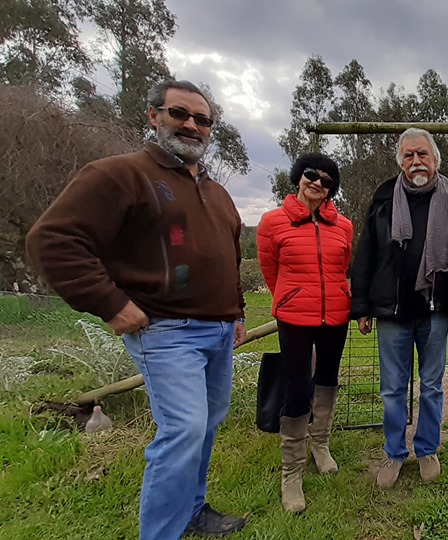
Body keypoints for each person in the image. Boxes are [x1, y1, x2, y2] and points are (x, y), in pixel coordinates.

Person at [26, 80, 247, 539]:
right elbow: (53, 240)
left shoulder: (217, 192)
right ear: (153, 115)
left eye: (202, 119)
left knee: (205, 426)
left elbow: (229, 257)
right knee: (184, 429)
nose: (192, 125)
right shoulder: (121, 174)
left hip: (219, 330)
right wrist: (111, 304)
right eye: (179, 114)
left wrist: (237, 312)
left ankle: (193, 511)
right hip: (167, 331)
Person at [350, 128, 448, 489]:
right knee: (393, 388)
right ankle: (394, 453)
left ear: (436, 159)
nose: (416, 161)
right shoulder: (384, 198)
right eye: (409, 155)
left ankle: (427, 449)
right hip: (392, 311)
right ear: (400, 162)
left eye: (422, 154)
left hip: (436, 308)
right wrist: (362, 306)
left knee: (432, 385)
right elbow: (366, 253)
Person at [256, 153, 353, 513]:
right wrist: (290, 297)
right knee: (297, 389)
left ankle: (321, 445)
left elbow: (343, 266)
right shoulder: (272, 222)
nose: (317, 183)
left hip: (336, 315)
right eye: (311, 174)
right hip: (295, 317)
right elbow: (270, 270)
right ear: (299, 176)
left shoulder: (343, 226)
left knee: (327, 379)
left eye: (327, 181)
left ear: (331, 189)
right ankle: (291, 472)